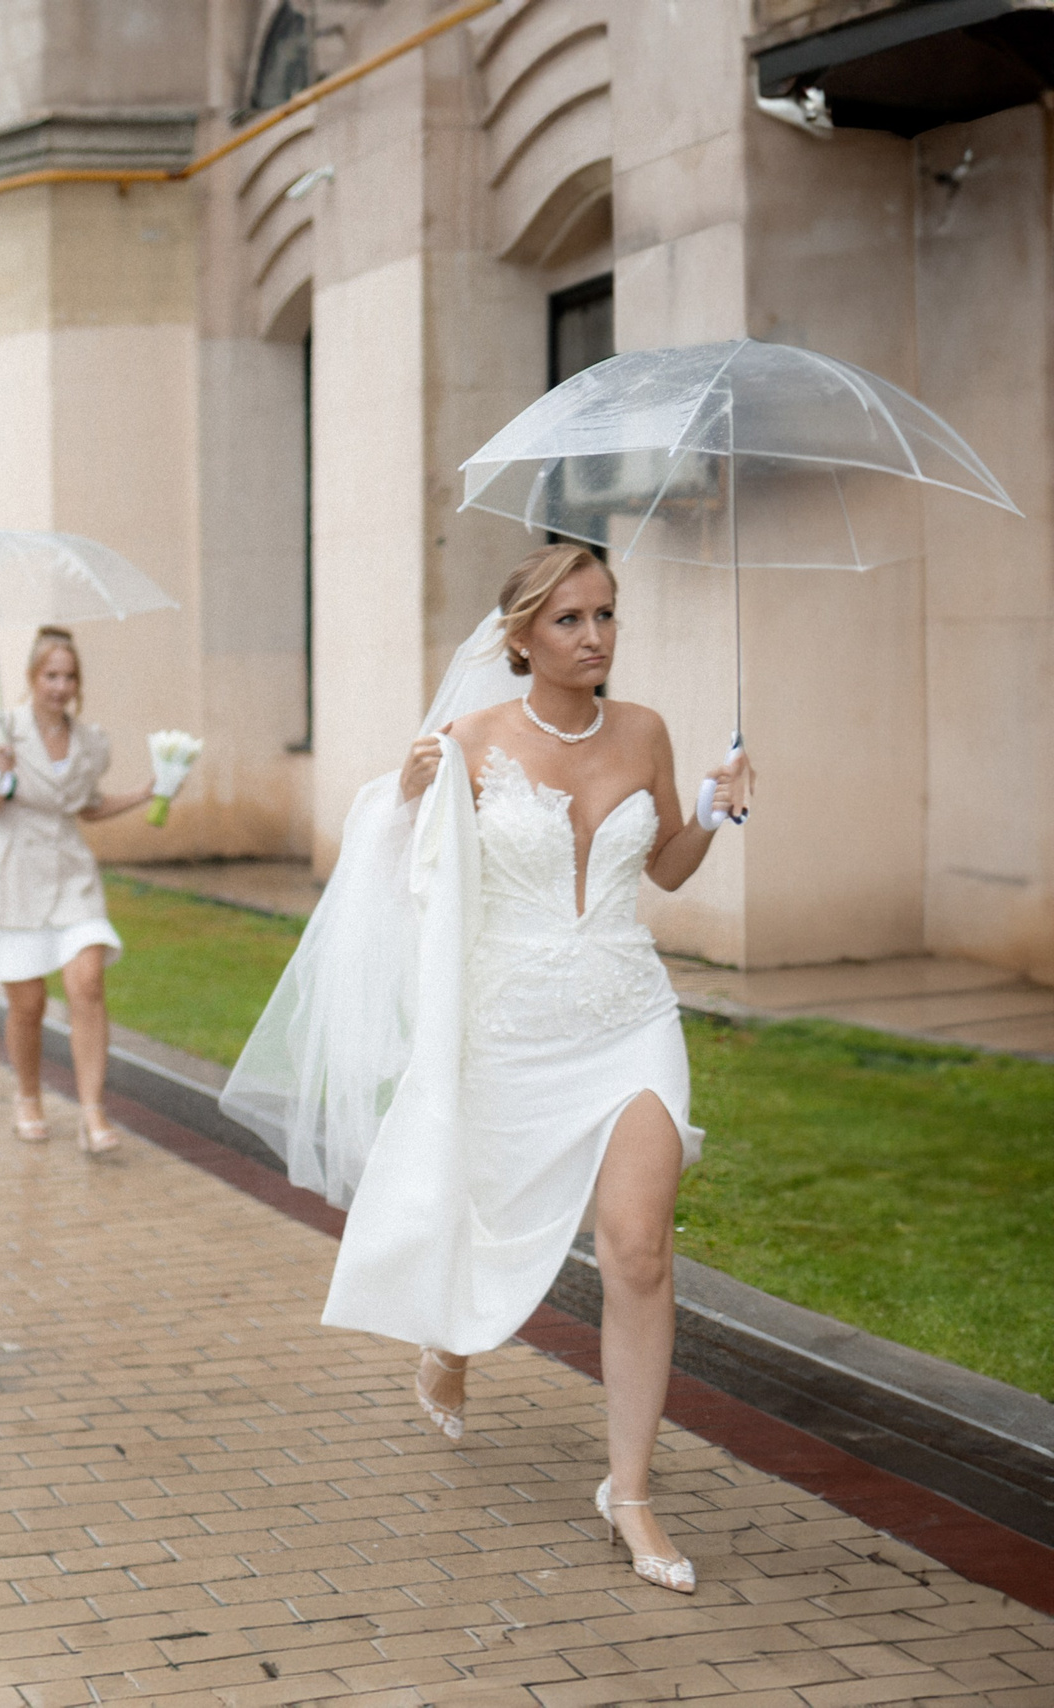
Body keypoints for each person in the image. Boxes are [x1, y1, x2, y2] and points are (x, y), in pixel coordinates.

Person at [224, 543, 753, 1597]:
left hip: (627, 1014)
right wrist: (408, 800)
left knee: (639, 1248)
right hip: (508, 1026)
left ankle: (631, 1491)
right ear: (519, 637)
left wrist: (717, 809)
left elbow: (665, 867)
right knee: (477, 1209)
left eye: (606, 615)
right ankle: (449, 1338)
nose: (595, 636)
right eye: (569, 620)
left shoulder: (643, 730)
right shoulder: (464, 740)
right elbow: (396, 886)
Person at [0, 626, 161, 1154]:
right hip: (14, 876)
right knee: (28, 1003)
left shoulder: (91, 743)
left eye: (69, 676)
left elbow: (85, 806)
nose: (60, 685)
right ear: (31, 677)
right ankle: (28, 1096)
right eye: (50, 675)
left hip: (71, 876)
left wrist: (145, 793)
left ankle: (93, 1112)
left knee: (88, 981)